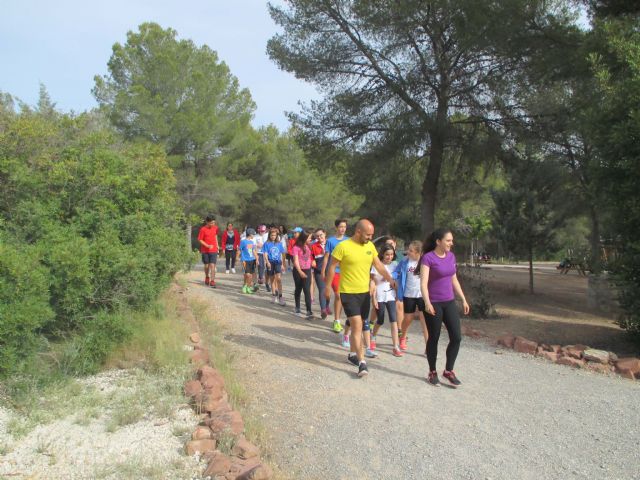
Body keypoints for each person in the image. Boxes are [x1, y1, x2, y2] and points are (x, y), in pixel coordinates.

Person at [325, 219, 396, 378]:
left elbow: (378, 266)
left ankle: (352, 354)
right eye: (368, 235)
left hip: (364, 293)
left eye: (372, 235)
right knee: (357, 326)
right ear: (358, 232)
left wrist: (390, 279)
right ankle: (362, 362)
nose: (370, 238)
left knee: (360, 323)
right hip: (348, 293)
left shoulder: (370, 246)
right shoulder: (343, 247)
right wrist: (327, 288)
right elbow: (331, 267)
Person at [420, 228, 470, 387]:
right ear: (438, 242)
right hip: (433, 303)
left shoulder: (451, 257)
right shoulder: (428, 258)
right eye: (448, 240)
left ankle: (448, 371)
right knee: (433, 338)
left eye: (451, 240)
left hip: (449, 302)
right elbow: (423, 283)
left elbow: (453, 279)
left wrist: (463, 299)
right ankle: (432, 371)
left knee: (456, 337)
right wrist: (427, 302)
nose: (451, 243)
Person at [395, 240, 429, 352]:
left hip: (422, 295)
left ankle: (428, 347)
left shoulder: (425, 262)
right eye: (408, 249)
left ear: (418, 253)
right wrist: (393, 279)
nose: (408, 252)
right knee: (408, 318)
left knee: (424, 319)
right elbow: (396, 272)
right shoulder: (405, 262)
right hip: (408, 294)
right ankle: (403, 337)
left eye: (411, 251)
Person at [370, 244, 401, 356]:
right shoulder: (376, 265)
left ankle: (395, 346)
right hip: (379, 297)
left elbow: (397, 280)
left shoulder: (395, 265)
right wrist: (373, 299)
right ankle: (373, 336)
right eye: (387, 254)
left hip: (391, 297)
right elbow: (373, 282)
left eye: (392, 254)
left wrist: (398, 294)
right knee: (381, 320)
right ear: (382, 254)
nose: (389, 257)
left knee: (394, 320)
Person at [322, 219, 349, 334]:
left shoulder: (348, 240)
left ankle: (337, 319)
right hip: (334, 272)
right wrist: (323, 271)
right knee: (338, 295)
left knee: (342, 296)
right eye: (341, 226)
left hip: (346, 272)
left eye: (345, 227)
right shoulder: (331, 241)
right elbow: (327, 257)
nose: (343, 229)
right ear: (336, 227)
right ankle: (337, 321)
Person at [291, 230, 313, 318]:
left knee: (307, 290)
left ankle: (309, 310)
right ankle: (297, 307)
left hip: (307, 270)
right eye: (309, 237)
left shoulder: (309, 246)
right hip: (298, 270)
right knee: (298, 289)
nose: (311, 239)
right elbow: (295, 261)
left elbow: (310, 258)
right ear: (304, 238)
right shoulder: (296, 247)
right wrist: (300, 272)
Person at [263, 228, 287, 305]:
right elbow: (265, 253)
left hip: (277, 262)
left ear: (277, 236)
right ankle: (274, 295)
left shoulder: (279, 244)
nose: (273, 236)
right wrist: (267, 262)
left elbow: (282, 254)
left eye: (274, 235)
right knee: (272, 279)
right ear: (269, 235)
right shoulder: (266, 243)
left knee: (279, 279)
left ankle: (280, 296)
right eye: (271, 235)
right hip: (270, 262)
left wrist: (283, 264)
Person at [311, 228, 329, 319]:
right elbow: (310, 257)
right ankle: (323, 310)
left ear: (325, 234)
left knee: (328, 290)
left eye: (321, 235)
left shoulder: (330, 244)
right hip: (318, 271)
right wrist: (312, 261)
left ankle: (327, 306)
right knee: (322, 289)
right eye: (317, 236)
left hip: (330, 271)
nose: (319, 237)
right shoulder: (314, 246)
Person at [197, 215, 219, 288]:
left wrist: (217, 245)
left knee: (212, 265)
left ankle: (212, 281)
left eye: (214, 223)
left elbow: (215, 236)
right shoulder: (203, 229)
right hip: (205, 250)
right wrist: (207, 246)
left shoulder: (215, 228)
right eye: (211, 223)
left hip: (214, 250)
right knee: (206, 266)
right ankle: (207, 277)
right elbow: (200, 239)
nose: (213, 224)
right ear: (207, 222)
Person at [239, 228, 259, 294]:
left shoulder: (252, 242)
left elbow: (254, 251)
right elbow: (239, 250)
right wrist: (237, 259)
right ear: (250, 234)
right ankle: (246, 286)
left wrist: (257, 259)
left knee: (250, 275)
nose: (254, 236)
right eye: (253, 234)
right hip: (245, 260)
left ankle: (247, 287)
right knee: (247, 275)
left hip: (252, 260)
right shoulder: (243, 242)